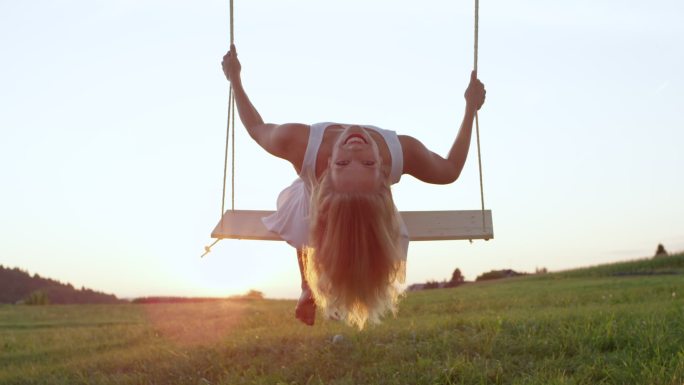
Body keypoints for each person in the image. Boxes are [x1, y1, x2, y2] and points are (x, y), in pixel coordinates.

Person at [221, 44, 485, 329]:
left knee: (312, 225)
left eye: (343, 164)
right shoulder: (400, 153)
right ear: (383, 176)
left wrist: (235, 80)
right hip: (314, 204)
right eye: (367, 164)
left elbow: (258, 129)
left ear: (327, 170)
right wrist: (470, 108)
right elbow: (448, 171)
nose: (356, 149)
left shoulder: (300, 143)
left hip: (315, 208)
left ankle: (313, 286)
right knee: (310, 220)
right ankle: (309, 284)